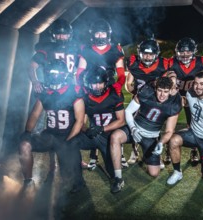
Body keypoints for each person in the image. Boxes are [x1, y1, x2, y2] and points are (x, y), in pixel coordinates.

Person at [19, 59, 85, 193]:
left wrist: (69, 140)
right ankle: (28, 181)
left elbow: (79, 120)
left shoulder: (74, 93)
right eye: (51, 73)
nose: (53, 76)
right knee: (24, 145)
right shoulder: (45, 93)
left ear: (64, 74)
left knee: (70, 180)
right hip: (49, 135)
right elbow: (34, 115)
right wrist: (27, 132)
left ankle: (77, 181)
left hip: (68, 135)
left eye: (57, 73)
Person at [110, 77, 182, 193]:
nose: (162, 95)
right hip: (135, 128)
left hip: (151, 136)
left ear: (171, 91)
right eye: (159, 90)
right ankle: (118, 178)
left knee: (154, 173)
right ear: (155, 89)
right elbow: (128, 111)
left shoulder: (174, 102)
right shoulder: (147, 92)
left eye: (165, 91)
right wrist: (133, 129)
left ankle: (147, 155)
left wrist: (160, 143)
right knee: (115, 137)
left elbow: (169, 131)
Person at [28, 19, 81, 171]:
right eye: (58, 34)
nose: (61, 37)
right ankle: (52, 160)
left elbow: (82, 67)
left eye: (64, 35)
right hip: (52, 89)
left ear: (69, 35)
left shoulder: (76, 49)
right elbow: (31, 67)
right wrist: (35, 81)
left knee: (75, 122)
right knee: (50, 123)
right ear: (53, 35)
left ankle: (73, 157)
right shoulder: (46, 49)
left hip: (70, 90)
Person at [77, 19, 127, 169]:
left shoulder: (116, 49)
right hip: (91, 87)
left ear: (108, 34)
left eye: (102, 33)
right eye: (97, 33)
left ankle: (120, 153)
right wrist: (84, 88)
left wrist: (117, 86)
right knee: (94, 120)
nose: (100, 35)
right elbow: (80, 72)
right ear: (93, 35)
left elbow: (121, 73)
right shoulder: (86, 49)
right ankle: (94, 154)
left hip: (110, 88)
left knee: (114, 120)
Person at [167, 71, 203, 185]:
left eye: (202, 84)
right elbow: (183, 103)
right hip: (193, 134)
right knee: (173, 140)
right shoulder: (190, 93)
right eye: (196, 83)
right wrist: (174, 94)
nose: (198, 87)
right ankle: (177, 172)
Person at [74, 66, 125, 179]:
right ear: (88, 84)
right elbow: (81, 121)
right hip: (93, 135)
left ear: (106, 82)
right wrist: (86, 130)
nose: (97, 87)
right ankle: (76, 175)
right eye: (94, 83)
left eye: (100, 83)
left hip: (109, 138)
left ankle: (116, 175)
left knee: (113, 173)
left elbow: (121, 121)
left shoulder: (114, 94)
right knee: (71, 140)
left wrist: (102, 128)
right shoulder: (85, 97)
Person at [125, 38, 169, 166]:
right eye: (145, 54)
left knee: (155, 127)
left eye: (151, 54)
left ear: (156, 54)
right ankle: (135, 152)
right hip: (140, 100)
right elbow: (128, 83)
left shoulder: (163, 65)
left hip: (155, 101)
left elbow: (167, 82)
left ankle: (156, 153)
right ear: (140, 54)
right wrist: (135, 94)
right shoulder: (134, 64)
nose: (148, 57)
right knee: (134, 124)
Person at [168, 37, 203, 165]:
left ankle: (194, 149)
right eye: (182, 51)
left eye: (188, 51)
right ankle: (168, 149)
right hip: (175, 95)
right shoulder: (172, 62)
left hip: (193, 95)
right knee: (170, 123)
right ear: (177, 52)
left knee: (193, 123)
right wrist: (174, 85)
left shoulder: (201, 61)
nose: (185, 54)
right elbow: (171, 76)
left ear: (194, 51)